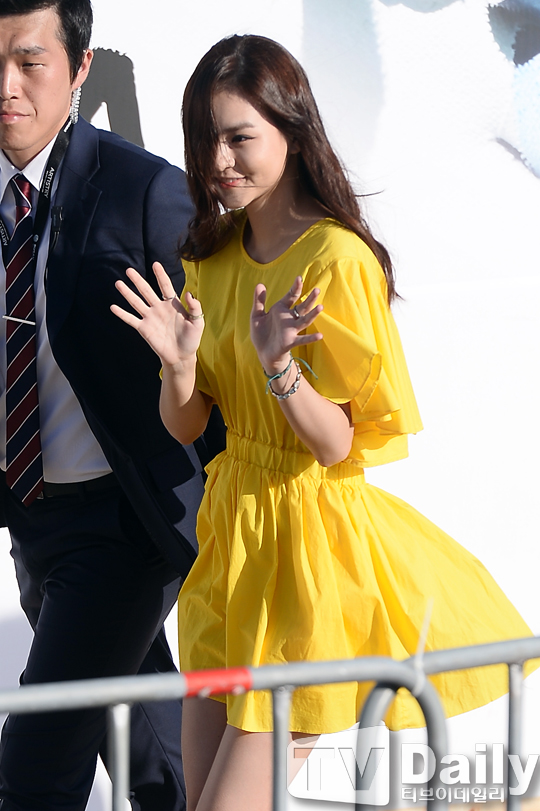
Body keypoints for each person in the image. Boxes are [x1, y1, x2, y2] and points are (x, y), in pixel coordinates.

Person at [113, 34, 536, 811]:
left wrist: (280, 369)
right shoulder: (210, 255)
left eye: (239, 137)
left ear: (292, 130)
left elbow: (336, 441)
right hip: (231, 546)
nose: (218, 161)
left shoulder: (337, 259)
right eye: (205, 139)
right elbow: (187, 427)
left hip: (307, 555)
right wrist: (178, 367)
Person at [0, 1, 224, 809]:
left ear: (81, 68)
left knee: (36, 763)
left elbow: (215, 364)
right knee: (149, 752)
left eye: (30, 62)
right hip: (32, 516)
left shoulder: (146, 191)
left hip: (125, 522)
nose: (7, 87)